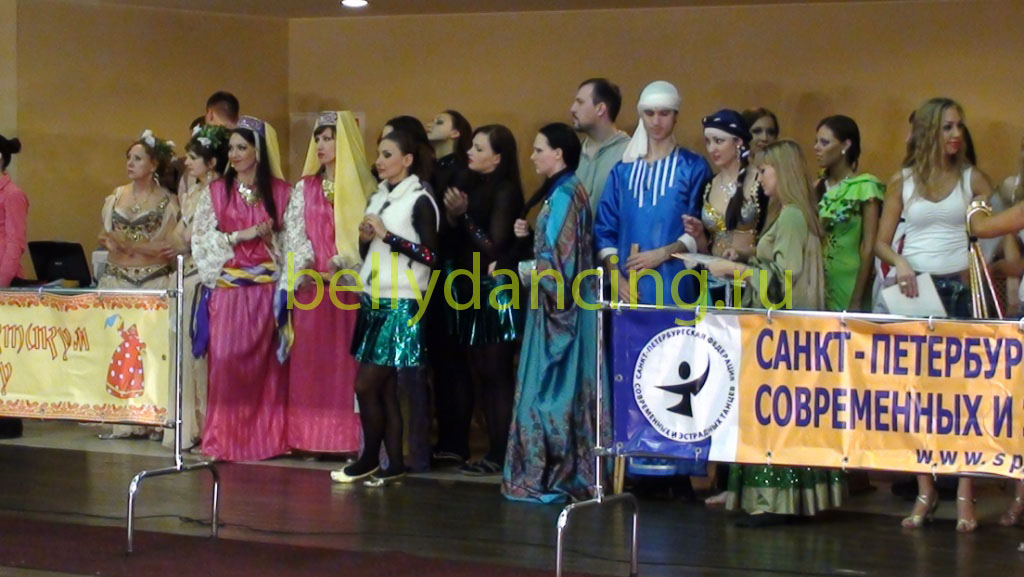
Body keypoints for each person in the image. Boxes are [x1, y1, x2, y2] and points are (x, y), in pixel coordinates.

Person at [876, 97, 993, 532]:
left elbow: (994, 230)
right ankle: (925, 489)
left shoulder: (971, 178)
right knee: (916, 397)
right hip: (917, 292)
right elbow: (881, 242)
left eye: (959, 126)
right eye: (947, 127)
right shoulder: (902, 181)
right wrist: (901, 263)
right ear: (929, 132)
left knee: (963, 397)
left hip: (961, 292)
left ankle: (964, 493)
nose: (956, 134)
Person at [707, 140, 839, 525]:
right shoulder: (791, 215)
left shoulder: (792, 217)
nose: (759, 178)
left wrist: (735, 271)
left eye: (764, 171)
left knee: (773, 412)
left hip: (781, 332)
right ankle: (787, 499)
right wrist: (747, 256)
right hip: (786, 330)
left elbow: (783, 281)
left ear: (782, 172)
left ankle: (772, 501)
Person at [594, 80, 711, 487]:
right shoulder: (623, 171)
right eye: (649, 114)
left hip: (676, 285)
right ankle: (634, 465)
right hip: (632, 288)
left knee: (677, 371)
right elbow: (605, 228)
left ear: (675, 116)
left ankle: (676, 469)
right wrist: (615, 274)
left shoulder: (693, 167)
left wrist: (664, 252)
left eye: (664, 113)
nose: (657, 121)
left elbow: (701, 227)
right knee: (632, 370)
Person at [499, 122, 603, 502]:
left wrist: (517, 270)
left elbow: (559, 268)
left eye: (539, 149)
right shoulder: (567, 191)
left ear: (558, 153)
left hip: (560, 311)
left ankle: (549, 474)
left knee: (549, 391)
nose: (532, 156)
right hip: (564, 305)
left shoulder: (564, 196)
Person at [329, 129, 438, 486]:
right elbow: (372, 252)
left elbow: (431, 256)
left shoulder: (420, 200)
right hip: (374, 297)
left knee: (365, 385)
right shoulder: (378, 197)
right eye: (378, 154)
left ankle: (369, 458)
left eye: (387, 155)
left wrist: (388, 236)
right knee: (385, 389)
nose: (379, 161)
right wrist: (365, 240)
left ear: (407, 160)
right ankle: (393, 463)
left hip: (402, 301)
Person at [191, 116, 302, 461]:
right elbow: (201, 241)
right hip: (229, 290)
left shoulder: (282, 193)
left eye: (242, 147)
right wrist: (242, 235)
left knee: (266, 370)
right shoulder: (216, 193)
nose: (235, 154)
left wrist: (272, 244)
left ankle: (266, 440)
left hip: (266, 292)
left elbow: (295, 244)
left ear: (259, 151)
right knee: (225, 364)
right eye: (231, 148)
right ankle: (224, 439)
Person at [287, 111, 376, 455]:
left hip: (348, 290)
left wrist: (342, 263)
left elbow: (368, 239)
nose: (321, 145)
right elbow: (295, 233)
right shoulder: (304, 188)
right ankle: (307, 438)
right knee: (311, 365)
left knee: (345, 365)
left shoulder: (365, 188)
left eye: (329, 138)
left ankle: (347, 439)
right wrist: (308, 264)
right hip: (312, 289)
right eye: (318, 138)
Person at [444, 124, 524, 476]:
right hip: (472, 286)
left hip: (496, 289)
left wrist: (464, 216)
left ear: (498, 157)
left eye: (479, 148)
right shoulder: (474, 185)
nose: (470, 152)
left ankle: (503, 451)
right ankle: (494, 450)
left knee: (497, 373)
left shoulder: (506, 191)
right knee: (482, 373)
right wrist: (455, 216)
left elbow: (495, 247)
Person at [96, 130, 180, 440]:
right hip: (118, 279)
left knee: (150, 350)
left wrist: (130, 244)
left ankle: (152, 416)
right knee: (117, 348)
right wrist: (115, 242)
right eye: (129, 158)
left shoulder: (168, 202)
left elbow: (167, 246)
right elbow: (104, 235)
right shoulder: (116, 197)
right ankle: (122, 416)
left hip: (151, 281)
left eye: (138, 158)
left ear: (153, 164)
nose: (130, 164)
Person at [169, 124, 229, 449]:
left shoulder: (217, 193)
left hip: (203, 277)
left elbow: (198, 238)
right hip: (185, 274)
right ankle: (188, 423)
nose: (187, 162)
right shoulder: (192, 191)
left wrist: (185, 243)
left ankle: (207, 424)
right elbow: (179, 235)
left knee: (202, 351)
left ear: (212, 162)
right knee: (185, 352)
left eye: (193, 157)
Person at [426, 109, 475, 464]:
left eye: (440, 121)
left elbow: (453, 226)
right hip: (435, 270)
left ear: (456, 133)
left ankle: (456, 441)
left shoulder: (461, 172)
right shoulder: (432, 169)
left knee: (453, 360)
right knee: (440, 360)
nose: (432, 124)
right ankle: (444, 436)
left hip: (454, 272)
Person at [814, 115, 884, 312]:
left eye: (824, 142)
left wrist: (857, 298)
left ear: (846, 145)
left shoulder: (864, 187)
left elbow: (868, 247)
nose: (816, 148)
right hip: (818, 278)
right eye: (816, 141)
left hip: (850, 280)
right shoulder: (816, 187)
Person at [684, 109, 765, 264]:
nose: (711, 148)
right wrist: (699, 235)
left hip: (750, 273)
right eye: (708, 142)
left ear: (738, 142)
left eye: (719, 141)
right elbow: (706, 250)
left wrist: (743, 254)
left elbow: (773, 240)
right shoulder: (709, 184)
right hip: (713, 274)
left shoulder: (760, 181)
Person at [0, 134, 27, 439]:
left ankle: (7, 418)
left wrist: (2, 283)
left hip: (4, 281)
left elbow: (15, 243)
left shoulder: (12, 194)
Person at [571, 78, 630, 210]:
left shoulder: (629, 154)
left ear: (600, 109)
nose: (572, 109)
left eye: (580, 102)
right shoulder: (573, 152)